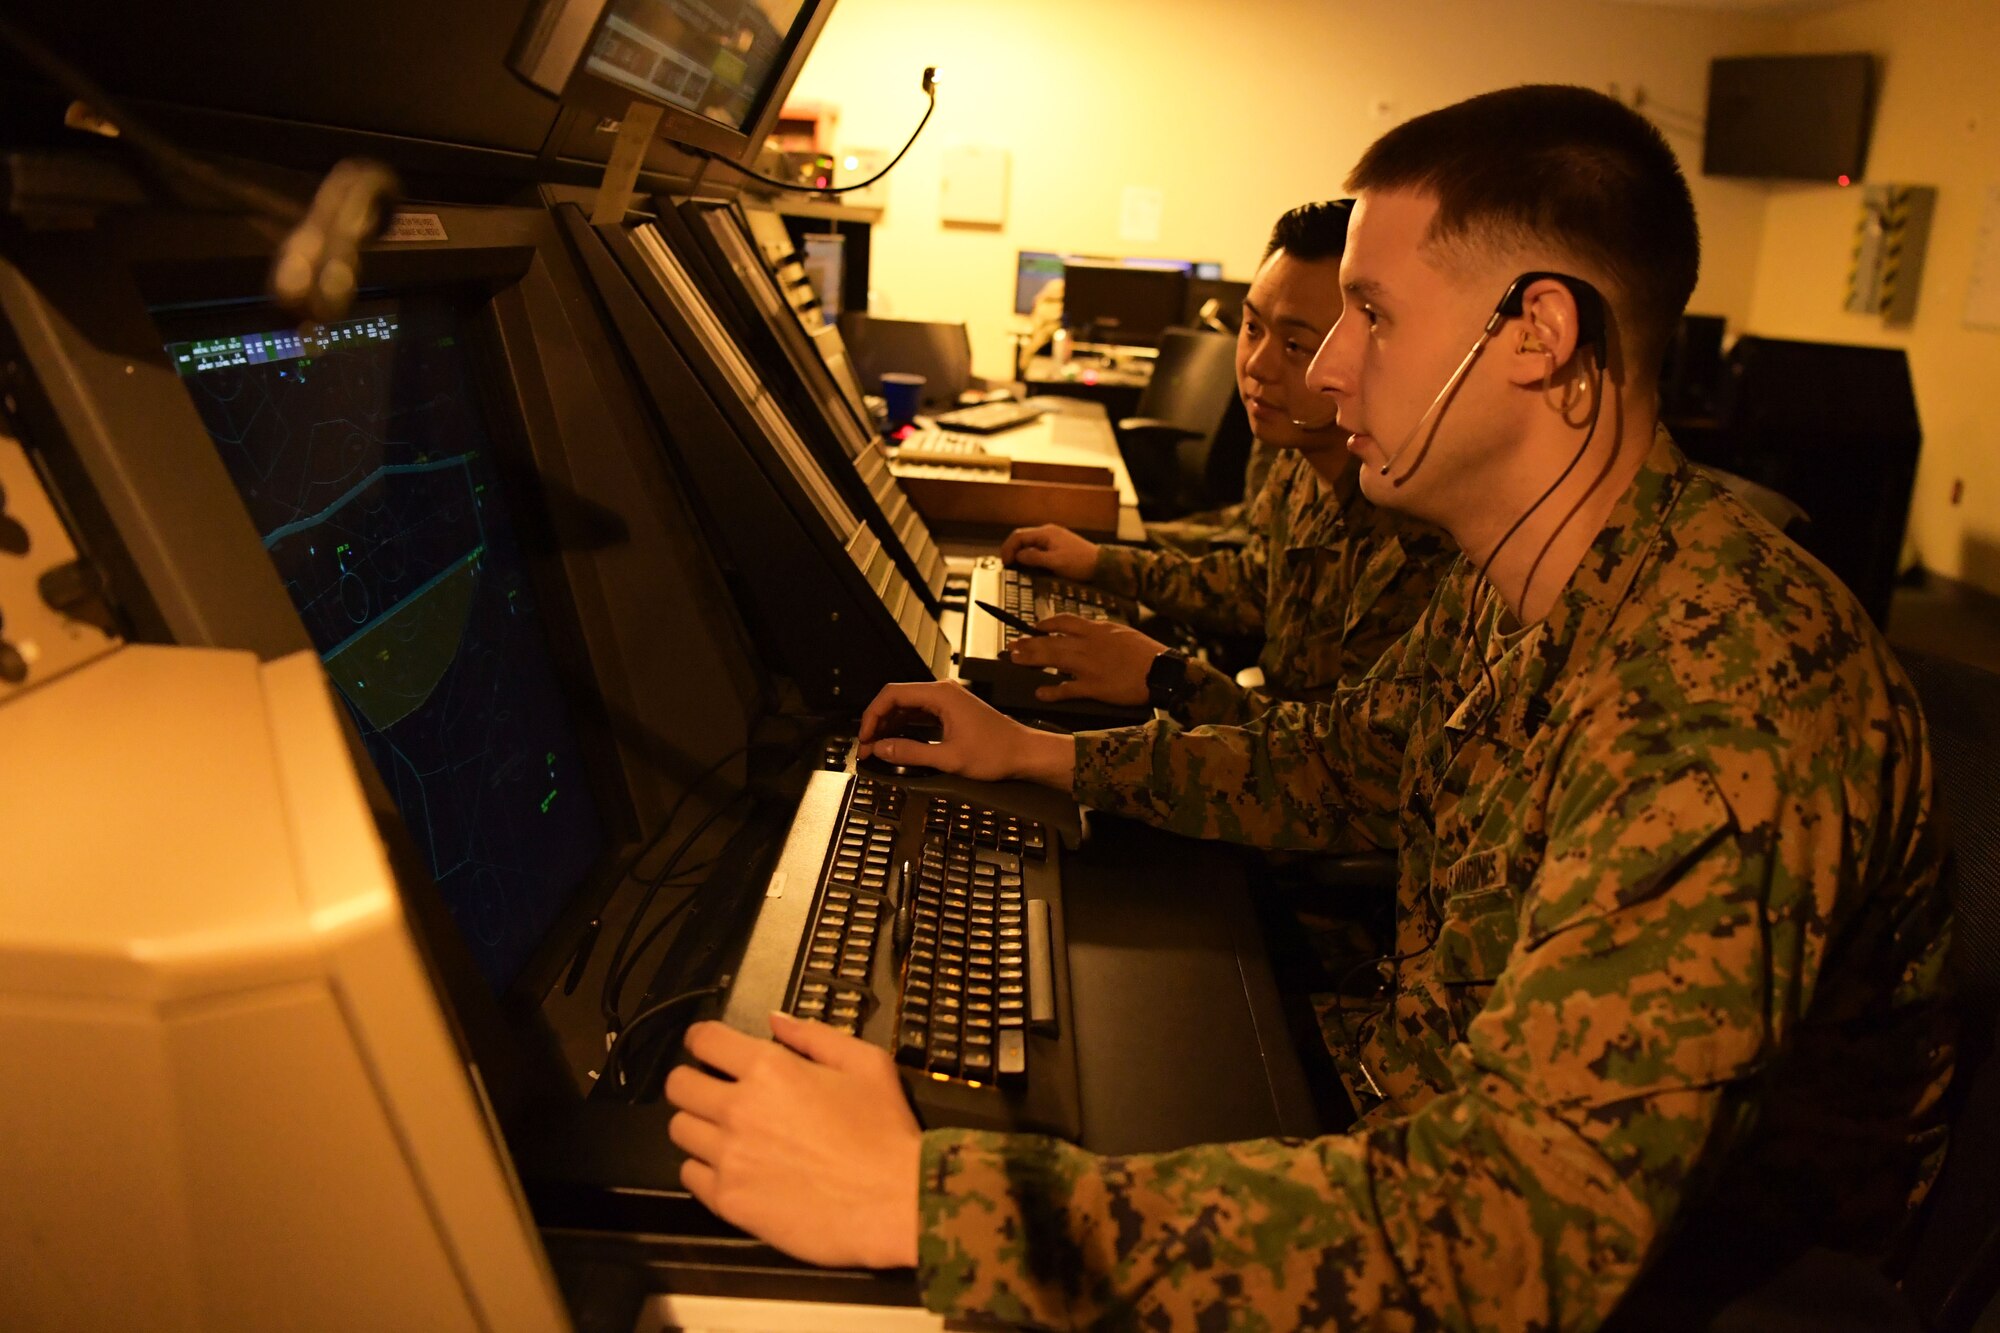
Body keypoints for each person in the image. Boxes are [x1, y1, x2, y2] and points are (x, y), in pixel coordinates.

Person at [664, 84, 1954, 1329]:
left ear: (1537, 334)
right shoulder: (1532, 574)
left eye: (1369, 316)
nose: (1327, 372)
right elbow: (1352, 760)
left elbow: (1520, 1236)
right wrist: (1048, 759)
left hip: (1638, 1273)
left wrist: (929, 1204)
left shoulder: (1718, 678)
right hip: (1410, 1093)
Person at [999, 200, 1453, 727]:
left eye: (1295, 345)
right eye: (1253, 329)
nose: (1257, 366)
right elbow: (1253, 586)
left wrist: (1165, 678)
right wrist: (1100, 564)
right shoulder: (1296, 458)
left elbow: (1339, 765)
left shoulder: (1412, 528)